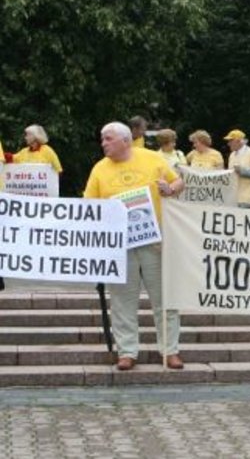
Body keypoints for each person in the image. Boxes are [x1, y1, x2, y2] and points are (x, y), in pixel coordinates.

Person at [83, 122, 185, 370]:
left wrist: (169, 189)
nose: (103, 143)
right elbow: (89, 205)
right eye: (102, 138)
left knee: (165, 298)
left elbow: (180, 181)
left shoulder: (153, 159)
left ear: (125, 141)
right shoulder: (99, 168)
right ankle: (127, 352)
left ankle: (170, 351)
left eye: (108, 139)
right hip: (119, 245)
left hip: (155, 240)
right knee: (122, 301)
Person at [225, 129, 250, 208]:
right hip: (234, 198)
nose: (228, 144)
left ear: (238, 141)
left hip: (249, 198)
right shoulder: (232, 155)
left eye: (230, 141)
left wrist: (242, 170)